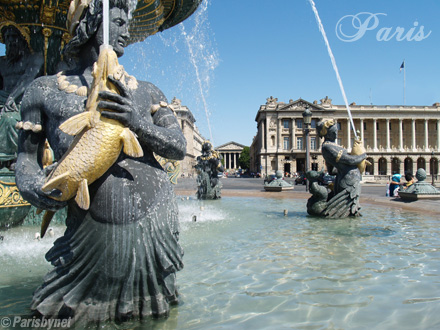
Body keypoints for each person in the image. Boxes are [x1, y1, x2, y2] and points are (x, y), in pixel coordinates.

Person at [16, 0, 186, 322]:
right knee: (62, 317)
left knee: (152, 318)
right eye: (117, 20)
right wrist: (35, 187)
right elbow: (25, 160)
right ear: (89, 22)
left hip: (156, 228)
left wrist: (137, 123)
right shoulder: (43, 90)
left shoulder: (147, 91)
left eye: (127, 21)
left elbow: (177, 146)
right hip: (91, 235)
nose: (125, 30)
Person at [0, 22, 43, 170]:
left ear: (23, 39)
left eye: (14, 36)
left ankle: (11, 158)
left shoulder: (34, 58)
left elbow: (28, 78)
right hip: (3, 99)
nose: (10, 41)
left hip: (24, 102)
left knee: (9, 119)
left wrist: (13, 97)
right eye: (7, 37)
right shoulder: (2, 62)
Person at [312, 119, 366, 217]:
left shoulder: (330, 146)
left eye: (336, 131)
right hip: (349, 181)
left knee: (348, 210)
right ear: (327, 133)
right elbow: (350, 160)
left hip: (345, 179)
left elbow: (331, 171)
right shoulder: (328, 147)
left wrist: (343, 168)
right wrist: (362, 155)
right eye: (333, 132)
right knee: (345, 210)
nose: (336, 133)